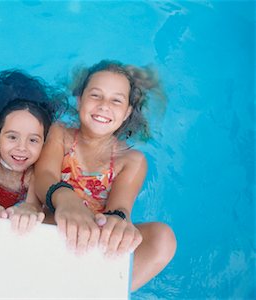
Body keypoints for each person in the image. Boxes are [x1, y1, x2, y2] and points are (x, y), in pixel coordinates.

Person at [34, 60, 177, 291]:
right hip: (55, 226)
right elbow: (44, 175)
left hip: (97, 241)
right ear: (79, 100)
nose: (104, 106)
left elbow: (120, 209)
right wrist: (67, 201)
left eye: (116, 100)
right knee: (43, 218)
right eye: (95, 96)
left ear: (127, 112)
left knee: (163, 238)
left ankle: (106, 291)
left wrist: (118, 224)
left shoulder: (131, 160)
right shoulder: (60, 133)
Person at [0, 70, 66, 234]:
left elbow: (33, 203)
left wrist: (30, 208)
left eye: (33, 140)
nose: (22, 148)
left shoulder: (34, 171)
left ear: (43, 144)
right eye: (12, 137)